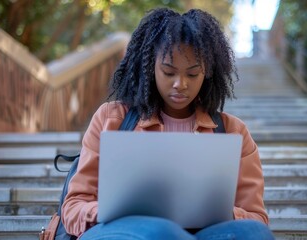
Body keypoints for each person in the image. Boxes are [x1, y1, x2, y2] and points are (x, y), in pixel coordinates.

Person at [61, 7, 274, 240]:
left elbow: (257, 217)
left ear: (208, 73)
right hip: (123, 232)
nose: (180, 84)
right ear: (150, 67)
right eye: (168, 72)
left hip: (204, 233)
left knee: (254, 233)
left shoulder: (234, 132)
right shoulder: (111, 119)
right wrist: (114, 210)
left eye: (192, 74)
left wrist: (213, 211)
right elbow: (73, 208)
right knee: (161, 231)